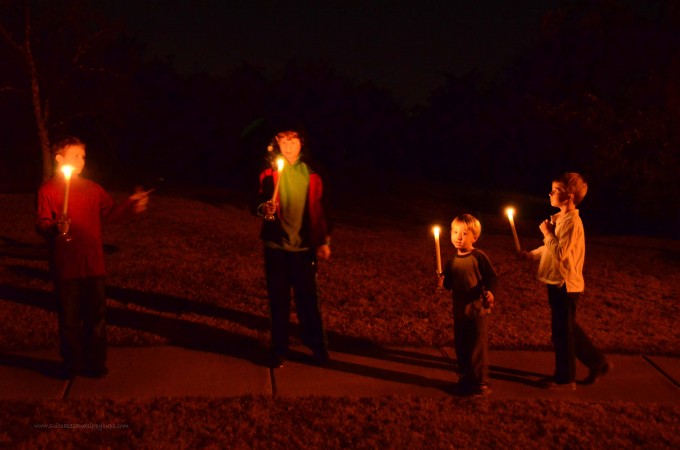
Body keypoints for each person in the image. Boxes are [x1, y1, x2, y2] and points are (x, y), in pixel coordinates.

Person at [35, 136, 149, 379]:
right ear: (60, 159)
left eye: (83, 156)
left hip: (93, 264)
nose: (80, 160)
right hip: (66, 266)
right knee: (69, 319)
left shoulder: (93, 189)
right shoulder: (48, 190)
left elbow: (111, 214)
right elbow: (42, 223)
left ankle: (96, 362)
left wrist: (132, 204)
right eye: (75, 155)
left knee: (96, 318)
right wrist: (55, 227)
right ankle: (71, 364)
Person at [521, 172, 611, 389]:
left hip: (566, 284)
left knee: (562, 332)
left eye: (556, 190)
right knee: (566, 328)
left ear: (569, 196)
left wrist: (547, 233)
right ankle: (597, 362)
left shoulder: (572, 222)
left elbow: (560, 252)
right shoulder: (560, 219)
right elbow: (550, 249)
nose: (550, 193)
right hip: (556, 282)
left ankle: (565, 378)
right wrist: (532, 255)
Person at [256, 127, 331, 368]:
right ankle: (279, 349)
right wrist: (262, 208)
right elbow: (255, 200)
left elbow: (323, 209)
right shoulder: (268, 170)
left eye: (293, 140)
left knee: (307, 301)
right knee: (278, 301)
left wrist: (323, 241)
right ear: (276, 142)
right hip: (276, 246)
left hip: (303, 248)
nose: (287, 146)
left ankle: (317, 346)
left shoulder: (312, 172)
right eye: (282, 140)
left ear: (301, 142)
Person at [442, 214, 498, 396]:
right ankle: (466, 378)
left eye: (464, 233)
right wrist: (442, 282)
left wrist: (490, 292)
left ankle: (480, 382)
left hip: (477, 310)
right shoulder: (452, 263)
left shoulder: (478, 256)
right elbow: (449, 284)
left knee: (476, 347)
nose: (459, 236)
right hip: (459, 311)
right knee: (462, 346)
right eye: (455, 232)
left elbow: (491, 278)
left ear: (474, 237)